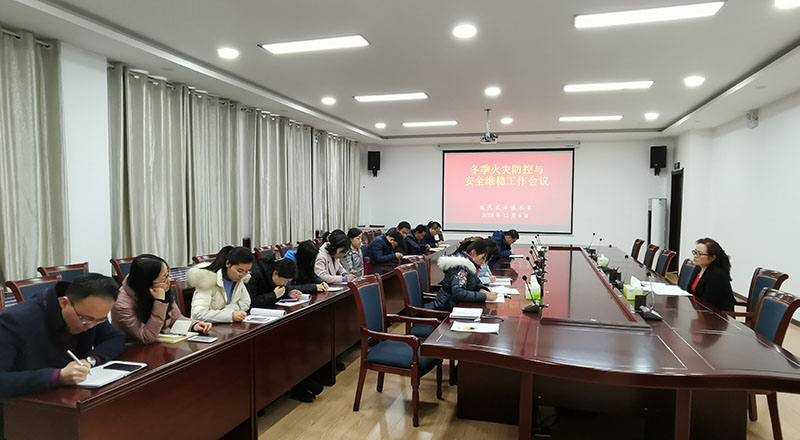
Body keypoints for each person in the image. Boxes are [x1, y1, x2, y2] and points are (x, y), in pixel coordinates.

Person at [0, 273, 125, 399]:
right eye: (86, 319)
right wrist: (58, 376)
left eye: (100, 320)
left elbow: (115, 338)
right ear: (64, 303)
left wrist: (89, 361)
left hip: (73, 397)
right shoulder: (14, 321)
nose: (91, 326)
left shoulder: (90, 311)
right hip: (26, 401)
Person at [112, 254, 212, 344]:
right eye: (164, 278)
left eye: (168, 275)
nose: (169, 281)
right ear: (147, 282)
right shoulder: (121, 305)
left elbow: (175, 317)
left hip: (160, 343)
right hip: (134, 350)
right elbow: (146, 337)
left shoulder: (159, 288)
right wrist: (159, 302)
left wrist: (194, 325)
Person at [187, 246, 253, 323]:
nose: (242, 275)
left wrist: (228, 311)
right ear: (228, 263)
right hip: (206, 326)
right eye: (239, 271)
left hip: (227, 325)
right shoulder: (206, 280)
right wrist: (230, 315)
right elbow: (198, 314)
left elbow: (245, 302)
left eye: (246, 271)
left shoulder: (238, 280)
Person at [433, 239, 498, 311]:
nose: (483, 262)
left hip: (459, 305)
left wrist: (483, 291)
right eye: (483, 258)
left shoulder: (470, 266)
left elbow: (477, 282)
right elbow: (459, 293)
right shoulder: (460, 267)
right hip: (447, 308)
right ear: (473, 252)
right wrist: (485, 296)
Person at [687, 238, 735, 311]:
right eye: (695, 252)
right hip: (699, 310)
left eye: (700, 254)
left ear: (712, 258)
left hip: (717, 315)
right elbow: (690, 292)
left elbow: (709, 303)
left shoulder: (716, 275)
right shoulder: (698, 268)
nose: (695, 256)